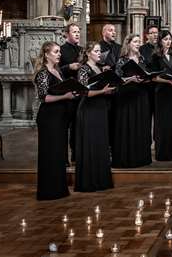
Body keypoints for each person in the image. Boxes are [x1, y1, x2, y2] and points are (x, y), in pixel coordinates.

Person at [33, 41, 74, 200]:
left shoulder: (57, 71)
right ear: (46, 54)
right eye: (56, 52)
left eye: (59, 52)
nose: (59, 54)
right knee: (50, 153)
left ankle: (59, 188)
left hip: (60, 116)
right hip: (49, 117)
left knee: (59, 153)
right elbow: (44, 97)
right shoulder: (43, 73)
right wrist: (65, 96)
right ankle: (48, 190)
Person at [75, 43, 116, 192]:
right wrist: (103, 91)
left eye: (100, 51)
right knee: (91, 143)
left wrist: (109, 90)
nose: (100, 54)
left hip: (100, 108)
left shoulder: (99, 68)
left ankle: (100, 179)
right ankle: (90, 181)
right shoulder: (84, 69)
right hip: (89, 109)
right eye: (97, 51)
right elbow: (83, 92)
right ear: (88, 53)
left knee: (100, 142)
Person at [112, 34, 152, 168]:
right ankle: (128, 157)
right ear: (128, 44)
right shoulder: (122, 61)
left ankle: (141, 157)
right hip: (126, 96)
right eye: (135, 41)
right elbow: (117, 79)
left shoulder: (142, 59)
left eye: (139, 41)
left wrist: (145, 78)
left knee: (140, 125)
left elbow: (147, 75)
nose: (138, 44)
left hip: (141, 95)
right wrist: (131, 79)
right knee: (128, 125)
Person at [151, 30, 172, 161]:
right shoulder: (155, 57)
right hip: (162, 93)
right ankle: (163, 153)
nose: (168, 42)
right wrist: (168, 81)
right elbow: (153, 77)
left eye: (170, 39)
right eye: (165, 39)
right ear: (160, 41)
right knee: (163, 122)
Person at [59, 22, 82, 163]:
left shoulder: (81, 49)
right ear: (67, 34)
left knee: (77, 125)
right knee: (66, 126)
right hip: (67, 92)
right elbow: (55, 70)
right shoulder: (60, 50)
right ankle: (64, 158)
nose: (78, 34)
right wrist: (69, 67)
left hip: (80, 90)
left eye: (78, 31)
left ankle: (75, 154)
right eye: (74, 32)